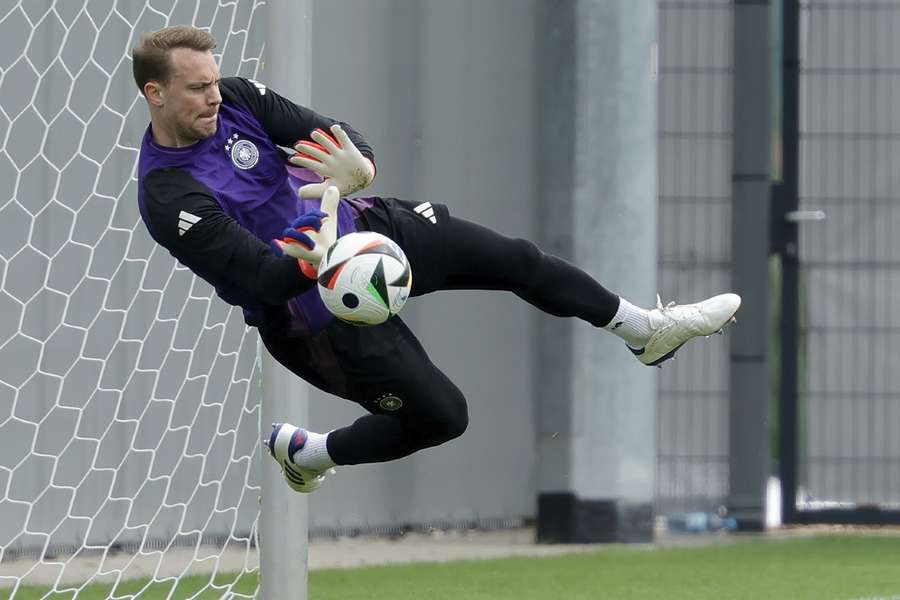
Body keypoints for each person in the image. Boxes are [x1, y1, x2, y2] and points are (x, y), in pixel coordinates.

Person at [133, 26, 741, 494]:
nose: (214, 95)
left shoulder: (239, 98)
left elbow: (339, 137)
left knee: (515, 260)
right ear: (154, 93)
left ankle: (644, 330)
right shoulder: (168, 196)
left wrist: (359, 170)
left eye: (213, 81)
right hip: (313, 315)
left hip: (370, 231)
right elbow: (266, 276)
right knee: (445, 416)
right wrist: (323, 217)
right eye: (197, 87)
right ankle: (311, 453)